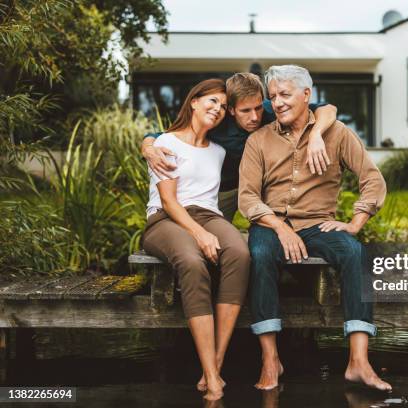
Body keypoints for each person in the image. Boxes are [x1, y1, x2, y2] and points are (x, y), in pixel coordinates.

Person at [238, 65, 391, 392]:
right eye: (273, 96)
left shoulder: (336, 134)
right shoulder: (258, 140)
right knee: (260, 254)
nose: (277, 103)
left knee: (356, 253)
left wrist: (355, 222)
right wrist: (280, 228)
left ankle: (358, 362)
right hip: (271, 223)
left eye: (285, 94)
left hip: (317, 223)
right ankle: (270, 359)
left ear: (307, 95)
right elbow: (248, 197)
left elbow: (372, 179)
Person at [141, 78, 250, 401]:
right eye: (211, 101)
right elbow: (171, 202)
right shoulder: (166, 143)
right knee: (191, 261)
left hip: (209, 215)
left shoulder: (219, 151)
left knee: (240, 254)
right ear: (193, 102)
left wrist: (207, 228)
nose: (216, 109)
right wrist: (199, 233)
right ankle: (213, 379)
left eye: (221, 105)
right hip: (165, 218)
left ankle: (213, 364)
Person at [141, 73, 338, 222]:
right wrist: (149, 147)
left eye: (258, 108)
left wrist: (316, 135)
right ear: (232, 110)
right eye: (246, 110)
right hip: (226, 188)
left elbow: (328, 109)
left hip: (264, 185)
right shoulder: (216, 120)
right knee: (209, 234)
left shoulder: (271, 109)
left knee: (277, 233)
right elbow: (166, 135)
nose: (255, 117)